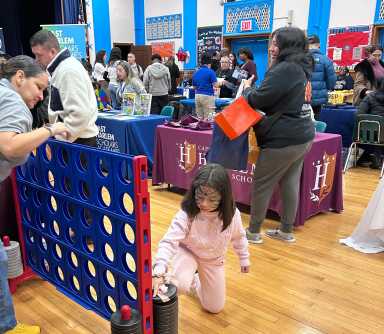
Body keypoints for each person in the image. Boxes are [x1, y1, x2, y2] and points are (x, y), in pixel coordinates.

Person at [0, 56, 68, 334]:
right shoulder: (13, 100)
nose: (40, 97)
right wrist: (50, 129)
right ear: (19, 77)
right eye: (38, 87)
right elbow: (10, 146)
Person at [243, 27, 315, 244]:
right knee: (290, 182)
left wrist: (247, 89)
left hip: (283, 137)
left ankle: (253, 232)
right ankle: (286, 230)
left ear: (288, 45)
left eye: (276, 43)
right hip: (302, 134)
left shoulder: (285, 68)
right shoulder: (300, 65)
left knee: (262, 184)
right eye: (272, 43)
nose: (272, 48)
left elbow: (259, 99)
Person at [152, 164, 250, 314]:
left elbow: (239, 236)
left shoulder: (231, 214)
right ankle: (188, 277)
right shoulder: (187, 212)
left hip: (212, 259)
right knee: (180, 284)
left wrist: (244, 258)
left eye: (212, 199)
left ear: (223, 197)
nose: (204, 204)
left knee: (214, 307)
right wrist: (158, 270)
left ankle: (196, 280)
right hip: (187, 252)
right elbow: (169, 240)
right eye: (200, 196)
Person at [30, 30, 99, 146]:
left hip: (78, 142)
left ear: (52, 52)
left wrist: (61, 139)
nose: (36, 59)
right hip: (75, 140)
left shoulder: (67, 70)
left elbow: (80, 114)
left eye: (39, 55)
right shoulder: (62, 68)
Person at [356, 78, 384, 169]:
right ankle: (376, 158)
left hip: (367, 133)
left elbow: (359, 114)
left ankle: (368, 157)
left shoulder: (370, 96)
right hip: (381, 134)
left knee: (376, 131)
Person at [308, 35, 336, 119]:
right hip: (319, 99)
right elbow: (332, 81)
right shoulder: (326, 59)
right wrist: (325, 89)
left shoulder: (299, 59)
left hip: (303, 98)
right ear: (319, 45)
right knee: (316, 123)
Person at [192, 53, 218, 119]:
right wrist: (222, 82)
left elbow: (194, 87)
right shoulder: (211, 72)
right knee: (209, 118)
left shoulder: (196, 72)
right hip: (208, 96)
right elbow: (216, 85)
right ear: (209, 63)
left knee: (199, 118)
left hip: (197, 96)